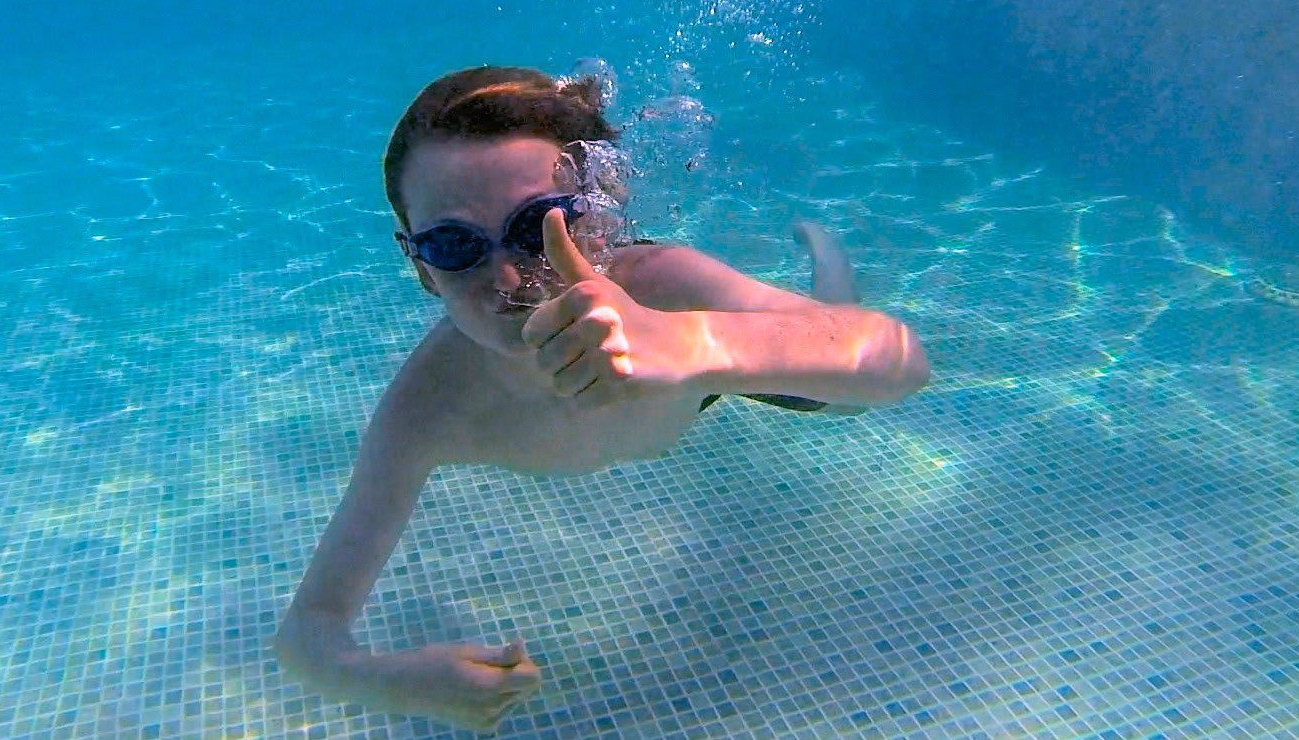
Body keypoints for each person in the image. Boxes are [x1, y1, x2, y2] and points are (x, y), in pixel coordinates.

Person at [273, 66, 931, 732]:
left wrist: (691, 343)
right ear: (420, 264)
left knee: (843, 394)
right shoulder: (428, 407)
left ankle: (826, 260)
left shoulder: (663, 287)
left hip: (694, 378)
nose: (507, 278)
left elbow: (896, 357)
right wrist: (378, 679)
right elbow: (308, 633)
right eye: (453, 245)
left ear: (600, 213)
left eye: (540, 226)